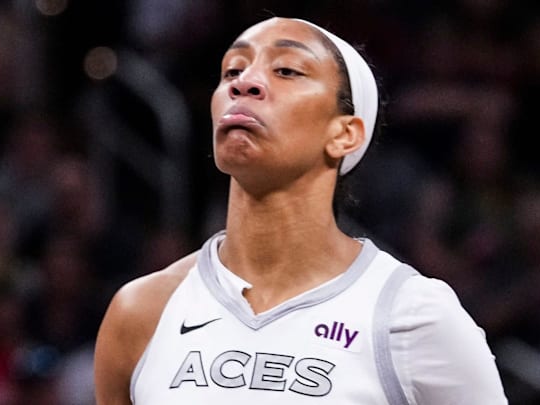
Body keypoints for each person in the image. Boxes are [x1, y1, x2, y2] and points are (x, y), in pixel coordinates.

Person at [94, 16, 507, 404]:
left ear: (344, 133)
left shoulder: (413, 315)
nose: (245, 83)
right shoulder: (142, 310)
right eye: (232, 71)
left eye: (287, 70)